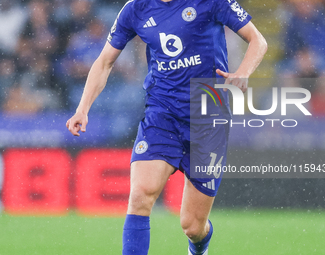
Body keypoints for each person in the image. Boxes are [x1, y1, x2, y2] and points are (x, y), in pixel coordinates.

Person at [66, 0, 267, 254]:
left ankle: (199, 245)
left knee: (192, 226)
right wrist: (82, 109)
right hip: (162, 114)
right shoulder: (135, 9)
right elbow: (105, 61)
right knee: (140, 196)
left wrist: (244, 72)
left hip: (207, 116)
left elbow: (258, 40)